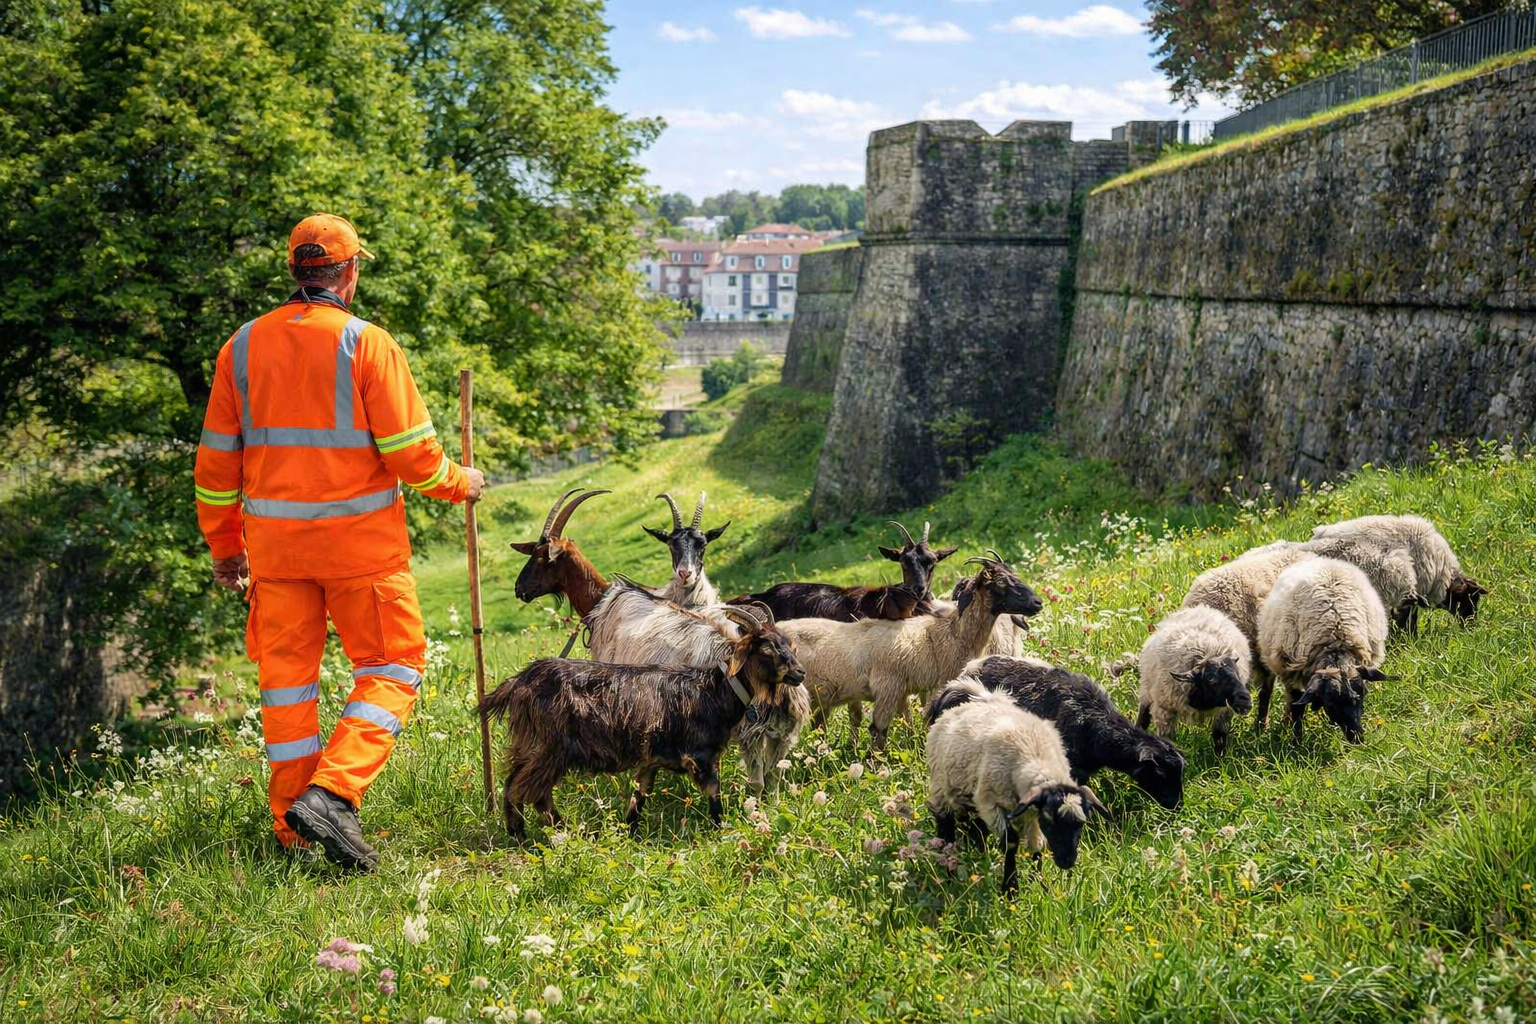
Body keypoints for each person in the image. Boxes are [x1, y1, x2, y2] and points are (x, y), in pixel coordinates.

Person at [194, 213, 486, 870]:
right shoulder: (367, 344)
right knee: (393, 665)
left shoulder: (240, 348)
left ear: (295, 271)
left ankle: (294, 830)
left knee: (287, 688)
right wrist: (460, 482)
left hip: (276, 554)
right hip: (361, 552)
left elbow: (214, 467)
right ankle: (332, 793)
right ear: (349, 273)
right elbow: (414, 457)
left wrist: (225, 546)